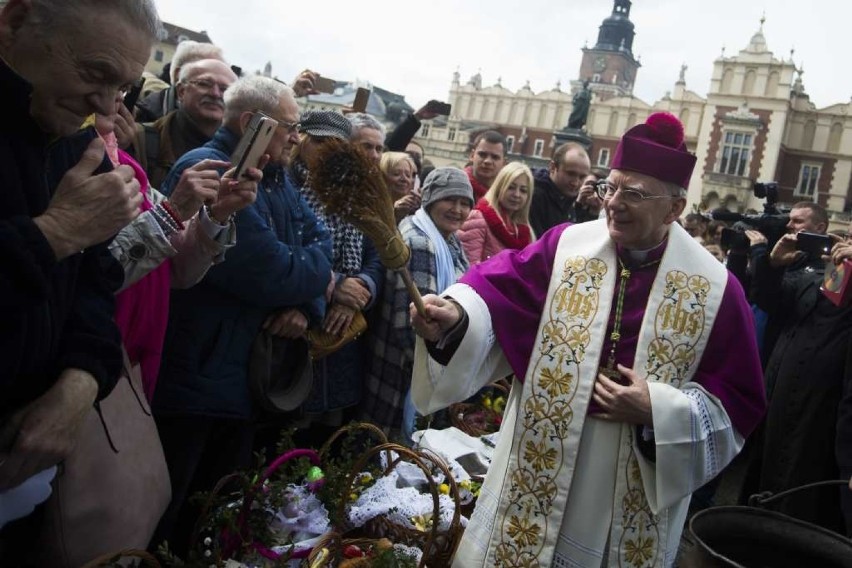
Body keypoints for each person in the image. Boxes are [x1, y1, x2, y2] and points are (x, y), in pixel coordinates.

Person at [409, 113, 766, 567]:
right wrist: (455, 315)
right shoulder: (567, 246)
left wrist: (656, 409)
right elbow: (496, 291)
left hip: (623, 494)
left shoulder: (716, 288)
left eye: (633, 193)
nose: (613, 203)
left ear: (675, 209)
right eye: (610, 187)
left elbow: (736, 405)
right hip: (537, 467)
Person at [0, 0, 159, 554]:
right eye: (95, 73)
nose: (107, 105)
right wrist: (54, 233)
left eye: (121, 87)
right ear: (16, 23)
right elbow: (66, 243)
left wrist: (80, 384)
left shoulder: (77, 142)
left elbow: (95, 285)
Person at [150, 76, 333, 554]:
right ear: (254, 123)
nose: (297, 137)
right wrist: (304, 283)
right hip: (198, 376)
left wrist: (306, 306)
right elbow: (267, 270)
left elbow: (322, 247)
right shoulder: (211, 170)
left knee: (220, 511)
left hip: (240, 376)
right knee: (176, 515)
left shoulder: (279, 176)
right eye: (290, 126)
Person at [741, 203, 852, 534]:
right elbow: (774, 300)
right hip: (781, 405)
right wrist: (772, 264)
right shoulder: (822, 271)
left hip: (822, 419)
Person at [289, 110, 384, 438]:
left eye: (335, 145)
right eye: (318, 142)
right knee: (289, 430)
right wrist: (333, 287)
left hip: (344, 333)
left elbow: (376, 257)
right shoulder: (288, 183)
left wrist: (359, 290)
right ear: (301, 142)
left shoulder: (358, 194)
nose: (326, 151)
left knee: (330, 433)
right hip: (299, 321)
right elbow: (285, 252)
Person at [363, 168, 473, 440]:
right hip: (405, 373)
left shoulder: (448, 238)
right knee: (389, 453)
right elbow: (413, 325)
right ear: (431, 200)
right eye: (450, 200)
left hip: (418, 369)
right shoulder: (421, 242)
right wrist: (438, 377)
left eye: (465, 203)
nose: (458, 210)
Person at [131, 58, 238, 191]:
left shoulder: (236, 154)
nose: (215, 94)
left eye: (225, 89)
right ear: (181, 91)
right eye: (204, 84)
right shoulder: (139, 140)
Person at [458, 161, 534, 264]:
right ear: (499, 187)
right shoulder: (478, 218)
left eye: (523, 190)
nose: (517, 194)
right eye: (511, 187)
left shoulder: (525, 231)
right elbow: (469, 268)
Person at [134, 40, 225, 123]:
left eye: (223, 87)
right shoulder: (140, 119)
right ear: (179, 76)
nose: (216, 93)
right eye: (205, 82)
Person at [529, 142, 596, 235]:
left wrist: (592, 212)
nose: (575, 183)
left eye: (582, 177)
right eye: (571, 174)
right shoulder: (534, 196)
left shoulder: (570, 200)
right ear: (553, 167)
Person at [380, 151, 420, 223]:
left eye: (408, 175)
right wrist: (395, 214)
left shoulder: (416, 211)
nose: (404, 179)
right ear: (382, 177)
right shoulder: (372, 207)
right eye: (396, 174)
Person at [466, 130, 507, 201]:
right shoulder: (455, 186)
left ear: (504, 163)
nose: (487, 161)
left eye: (495, 157)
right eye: (482, 154)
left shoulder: (506, 197)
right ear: (472, 156)